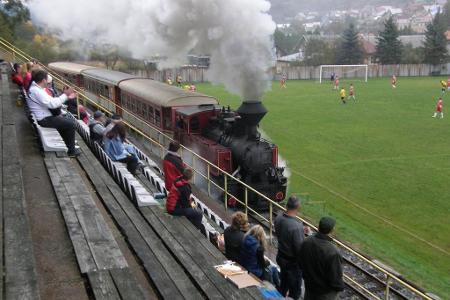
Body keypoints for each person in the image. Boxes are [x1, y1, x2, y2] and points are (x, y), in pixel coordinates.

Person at [28, 70, 80, 157]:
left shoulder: (36, 89)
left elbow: (52, 101)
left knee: (67, 121)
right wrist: (66, 94)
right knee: (71, 124)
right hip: (44, 119)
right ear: (44, 80)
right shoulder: (37, 91)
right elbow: (52, 104)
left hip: (44, 117)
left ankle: (68, 145)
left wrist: (66, 96)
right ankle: (71, 151)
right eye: (47, 79)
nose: (48, 82)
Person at [299, 217, 345, 300]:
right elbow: (335, 279)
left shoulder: (306, 241)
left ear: (318, 227)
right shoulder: (333, 252)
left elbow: (300, 263)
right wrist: (340, 288)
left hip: (309, 288)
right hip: (325, 293)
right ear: (332, 231)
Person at [274, 195, 305, 300]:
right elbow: (299, 249)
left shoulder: (278, 217)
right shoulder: (297, 226)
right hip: (292, 264)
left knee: (283, 283)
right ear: (298, 208)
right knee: (295, 291)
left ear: (287, 206)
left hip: (281, 256)